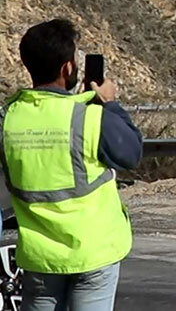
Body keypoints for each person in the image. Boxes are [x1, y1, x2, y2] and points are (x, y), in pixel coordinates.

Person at [0, 19, 142, 310]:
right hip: (93, 255)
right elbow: (131, 153)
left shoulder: (8, 119)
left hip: (40, 258)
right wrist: (110, 104)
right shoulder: (88, 117)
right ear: (68, 68)